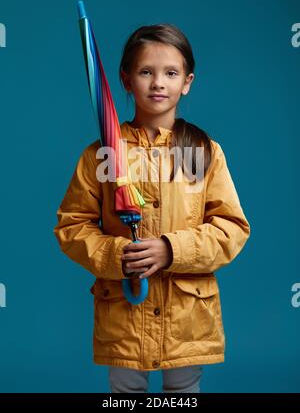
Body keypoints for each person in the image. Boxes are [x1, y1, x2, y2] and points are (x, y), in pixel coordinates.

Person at [53, 23, 251, 393]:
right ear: (126, 80)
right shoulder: (104, 155)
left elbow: (231, 228)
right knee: (127, 394)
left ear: (187, 81)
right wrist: (118, 254)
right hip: (125, 315)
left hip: (187, 319)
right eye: (146, 72)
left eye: (171, 73)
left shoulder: (199, 152)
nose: (158, 83)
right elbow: (72, 227)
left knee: (183, 393)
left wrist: (172, 249)